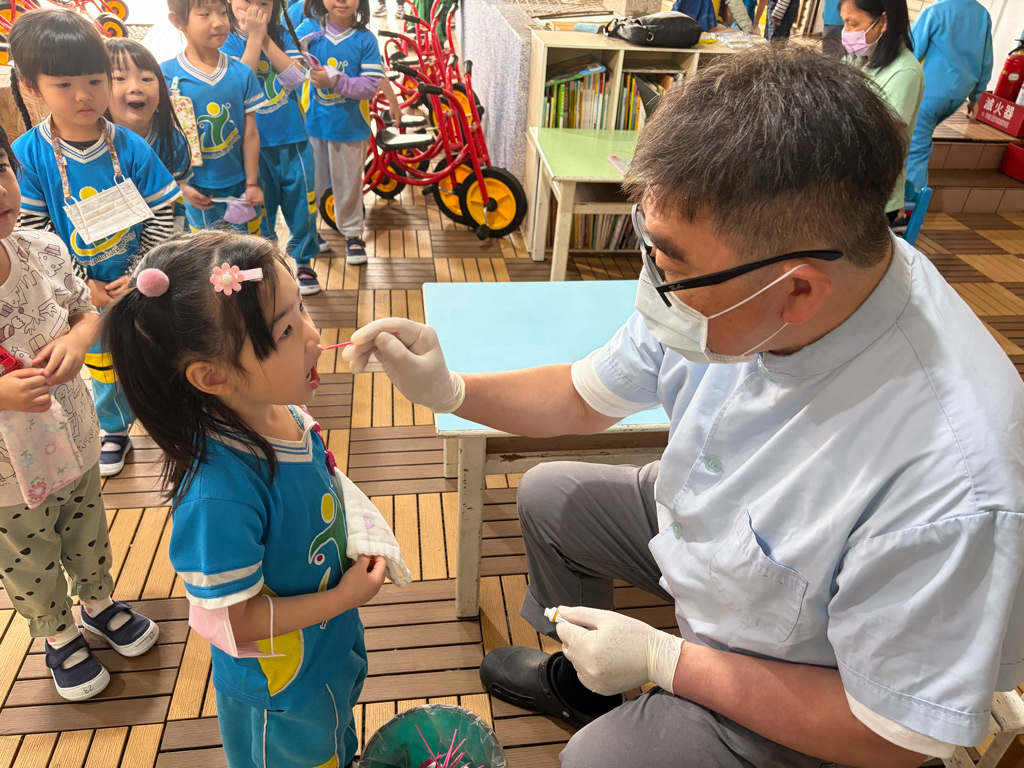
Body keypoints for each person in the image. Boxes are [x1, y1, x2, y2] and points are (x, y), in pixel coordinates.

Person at [344, 46, 1024, 767]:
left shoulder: (955, 480)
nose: (652, 286)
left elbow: (892, 736)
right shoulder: (748, 280)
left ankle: (649, 702)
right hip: (728, 539)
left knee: (595, 761)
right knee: (551, 497)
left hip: (812, 689)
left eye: (669, 265)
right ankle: (587, 688)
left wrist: (666, 662)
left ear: (797, 291)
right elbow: (583, 396)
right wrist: (454, 391)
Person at [104, 231, 409, 767]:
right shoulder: (218, 496)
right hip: (284, 685)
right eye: (286, 330)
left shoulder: (281, 410)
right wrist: (345, 597)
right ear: (213, 375)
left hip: (326, 644)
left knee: (337, 743)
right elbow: (234, 620)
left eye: (302, 311)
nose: (314, 337)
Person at [0, 127, 158, 702]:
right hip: (7, 474)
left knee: (86, 527)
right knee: (28, 554)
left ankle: (97, 602)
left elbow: (84, 310)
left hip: (76, 434)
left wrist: (77, 338)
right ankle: (57, 633)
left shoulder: (42, 248)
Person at [9, 10, 181, 478]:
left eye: (94, 80)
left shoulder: (131, 146)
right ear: (31, 86)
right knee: (102, 361)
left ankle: (172, 420)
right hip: (78, 293)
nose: (84, 95)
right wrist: (84, 286)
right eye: (64, 84)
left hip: (142, 282)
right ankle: (115, 427)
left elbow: (162, 212)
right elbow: (34, 235)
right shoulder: (28, 156)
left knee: (155, 349)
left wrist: (142, 270)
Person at [222, 0, 322, 296]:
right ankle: (269, 266)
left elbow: (296, 78)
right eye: (247, 1)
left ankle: (303, 261)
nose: (255, 8)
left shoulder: (283, 34)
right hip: (251, 147)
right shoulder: (225, 39)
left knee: (303, 204)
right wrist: (253, 38)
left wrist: (263, 36)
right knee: (259, 212)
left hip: (293, 139)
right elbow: (238, 86)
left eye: (263, 2)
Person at [161, 0, 267, 235]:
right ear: (178, 21)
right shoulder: (165, 76)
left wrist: (252, 182)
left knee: (246, 245)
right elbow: (163, 137)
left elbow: (250, 133)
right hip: (196, 189)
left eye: (222, 12)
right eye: (205, 14)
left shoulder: (242, 73)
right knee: (206, 249)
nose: (218, 22)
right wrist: (181, 185)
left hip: (240, 185)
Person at [300, 0, 383, 265]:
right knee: (310, 186)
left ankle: (352, 234)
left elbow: (370, 86)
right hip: (312, 126)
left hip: (351, 129)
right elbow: (288, 61)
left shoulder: (365, 39)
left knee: (349, 187)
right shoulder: (308, 30)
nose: (342, 0)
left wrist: (335, 80)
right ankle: (307, 232)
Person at [840, 0, 923, 221]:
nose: (846, 32)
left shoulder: (904, 72)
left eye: (853, 24)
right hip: (842, 183)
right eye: (844, 23)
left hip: (873, 197)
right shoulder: (854, 60)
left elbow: (879, 139)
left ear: (883, 21)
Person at [106, 38, 193, 233]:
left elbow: (171, 202)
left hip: (165, 231)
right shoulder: (91, 141)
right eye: (119, 78)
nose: (136, 87)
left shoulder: (172, 141)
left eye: (146, 79)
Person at [906, 0, 994, 190]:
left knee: (915, 148)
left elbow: (910, 53)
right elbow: (986, 61)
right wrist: (976, 97)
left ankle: (911, 201)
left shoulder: (935, 12)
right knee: (920, 140)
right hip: (958, 95)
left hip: (929, 93)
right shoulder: (982, 15)